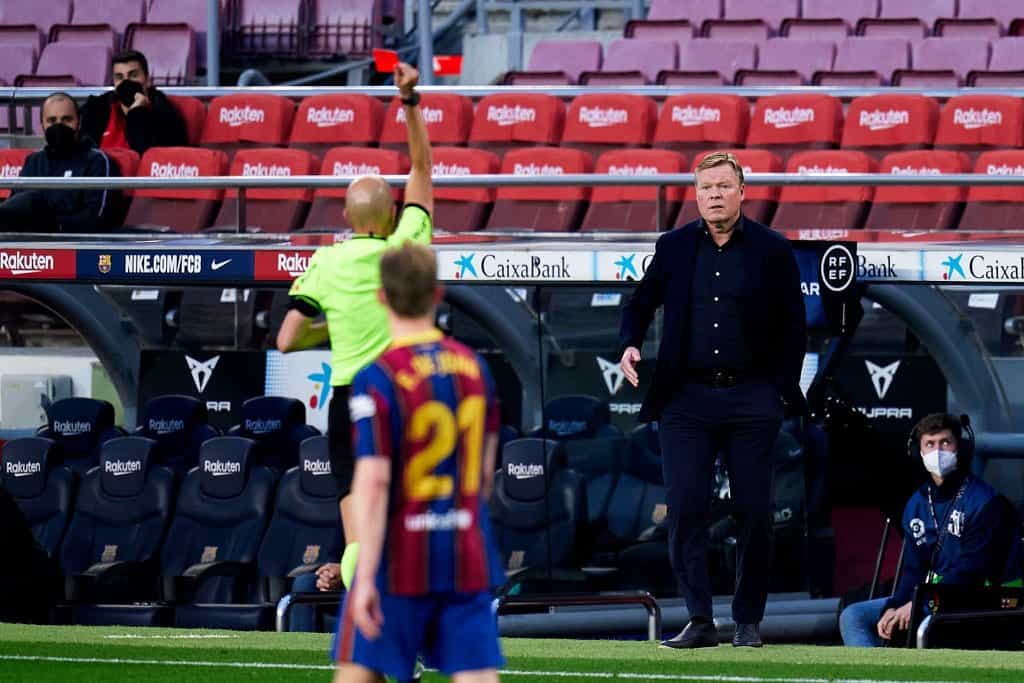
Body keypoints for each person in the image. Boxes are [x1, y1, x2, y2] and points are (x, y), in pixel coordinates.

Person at [618, 151, 807, 649]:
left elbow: (795, 326)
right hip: (686, 400)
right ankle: (699, 618)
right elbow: (640, 303)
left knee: (753, 511)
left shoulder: (772, 249)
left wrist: (777, 390)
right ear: (696, 195)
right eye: (706, 188)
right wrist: (630, 343)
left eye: (723, 186)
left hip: (752, 398)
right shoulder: (674, 246)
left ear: (742, 191)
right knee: (685, 507)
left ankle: (748, 621)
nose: (714, 195)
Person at [276, 62, 433, 592]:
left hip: (348, 400)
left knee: (357, 535)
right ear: (391, 216)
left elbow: (287, 339)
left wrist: (336, 330)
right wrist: (409, 101)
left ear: (346, 218)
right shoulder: (406, 245)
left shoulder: (326, 261)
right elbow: (422, 167)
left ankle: (363, 613)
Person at [333, 242, 504, 683]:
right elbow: (485, 475)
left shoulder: (378, 376)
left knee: (358, 669)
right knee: (477, 675)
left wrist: (364, 573)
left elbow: (373, 481)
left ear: (381, 297)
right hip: (465, 550)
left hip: (400, 555)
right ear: (438, 294)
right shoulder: (475, 368)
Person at [840, 413, 1016, 647]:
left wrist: (917, 603)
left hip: (977, 597)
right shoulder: (916, 504)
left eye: (945, 442)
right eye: (930, 444)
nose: (938, 451)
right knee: (854, 616)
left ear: (959, 448)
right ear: (919, 452)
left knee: (916, 616)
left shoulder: (986, 502)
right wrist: (895, 606)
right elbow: (913, 570)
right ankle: (879, 669)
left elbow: (971, 571)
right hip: (932, 597)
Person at [0, 92, 120, 232]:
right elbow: (14, 208)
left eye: (66, 119)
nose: (59, 126)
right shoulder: (33, 161)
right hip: (29, 240)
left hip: (74, 240)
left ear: (79, 122)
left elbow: (97, 216)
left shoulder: (97, 161)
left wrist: (53, 225)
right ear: (42, 125)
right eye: (52, 120)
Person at [79, 49, 188, 155]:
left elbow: (149, 155)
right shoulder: (96, 109)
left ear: (147, 80)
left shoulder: (166, 114)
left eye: (133, 75)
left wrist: (136, 113)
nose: (126, 82)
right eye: (119, 77)